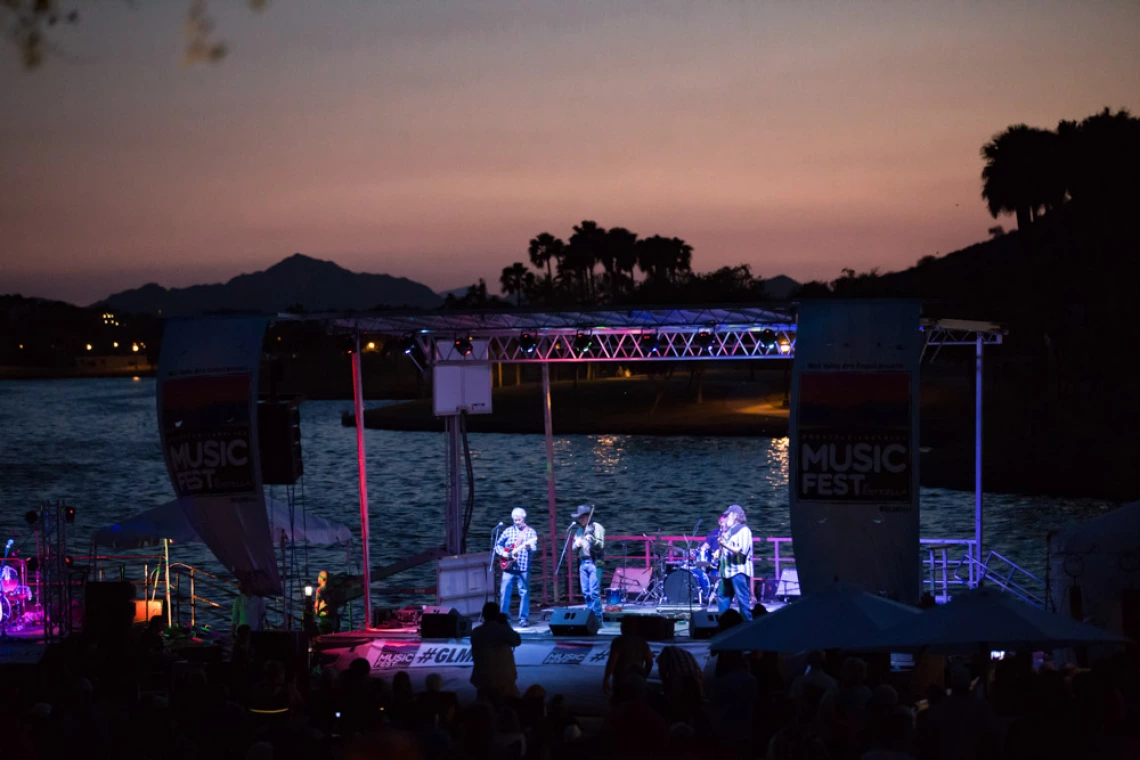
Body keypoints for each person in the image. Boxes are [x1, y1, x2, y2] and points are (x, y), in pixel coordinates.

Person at [470, 601, 522, 699]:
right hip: (503, 680)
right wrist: (505, 624)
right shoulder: (502, 630)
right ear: (497, 614)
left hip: (482, 680)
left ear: (484, 615)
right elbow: (517, 641)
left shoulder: (476, 632)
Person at [495, 508, 538, 627]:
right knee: (504, 593)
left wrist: (529, 547)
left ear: (523, 518)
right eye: (514, 520)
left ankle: (523, 619)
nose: (516, 522)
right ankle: (504, 618)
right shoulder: (508, 531)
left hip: (523, 567)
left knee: (524, 593)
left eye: (518, 520)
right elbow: (498, 545)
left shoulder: (530, 532)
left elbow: (534, 548)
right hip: (508, 567)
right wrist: (503, 553)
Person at [716, 504, 754, 621]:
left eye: (727, 516)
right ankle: (723, 626)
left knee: (743, 601)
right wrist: (719, 550)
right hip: (726, 571)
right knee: (722, 598)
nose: (726, 519)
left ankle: (748, 628)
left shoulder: (744, 530)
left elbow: (741, 551)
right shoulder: (729, 532)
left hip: (739, 572)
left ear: (733, 515)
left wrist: (724, 544)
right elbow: (725, 549)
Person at [571, 504, 605, 620]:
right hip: (583, 563)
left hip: (595, 562)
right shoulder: (580, 530)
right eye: (579, 518)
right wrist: (577, 543)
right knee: (586, 592)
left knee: (594, 592)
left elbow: (600, 544)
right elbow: (573, 547)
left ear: (587, 516)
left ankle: (598, 618)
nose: (579, 520)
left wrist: (591, 539)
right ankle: (590, 616)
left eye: (581, 517)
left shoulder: (597, 527)